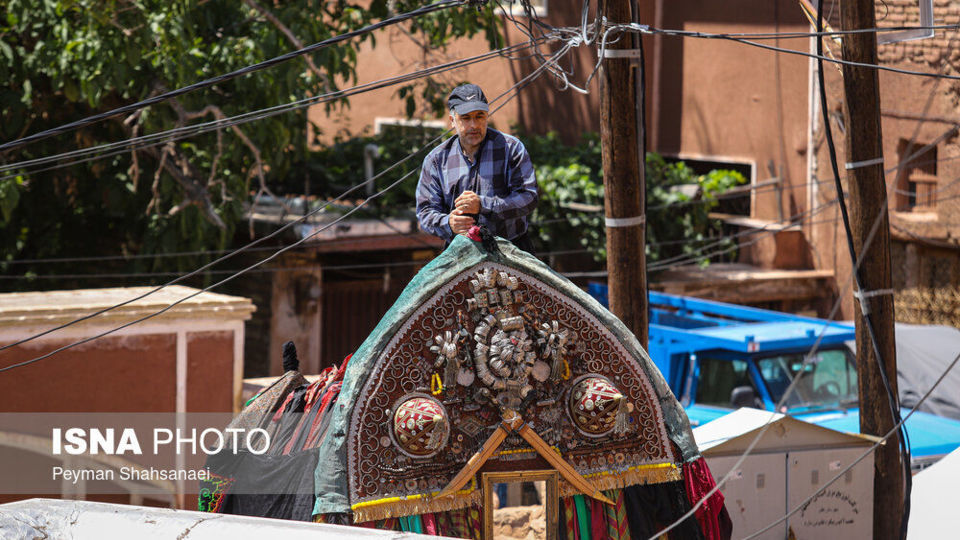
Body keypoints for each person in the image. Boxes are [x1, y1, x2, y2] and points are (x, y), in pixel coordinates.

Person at [416, 83, 538, 253]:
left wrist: (483, 205)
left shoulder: (511, 148)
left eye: (479, 116)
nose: (473, 125)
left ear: (487, 116)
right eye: (465, 118)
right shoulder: (436, 160)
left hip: (512, 249)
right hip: (460, 252)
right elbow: (425, 213)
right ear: (452, 121)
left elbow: (529, 197)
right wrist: (449, 224)